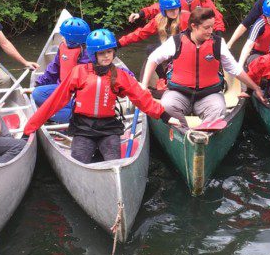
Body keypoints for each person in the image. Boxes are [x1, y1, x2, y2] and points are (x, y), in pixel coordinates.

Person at [22, 29, 183, 163]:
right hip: (83, 127)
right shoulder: (79, 73)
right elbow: (54, 102)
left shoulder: (120, 76)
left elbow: (142, 99)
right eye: (102, 53)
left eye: (109, 52)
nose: (107, 56)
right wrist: (30, 128)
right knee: (79, 159)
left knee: (114, 161)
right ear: (93, 55)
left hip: (108, 128)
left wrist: (166, 117)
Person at [140, 7, 265, 124]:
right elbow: (153, 59)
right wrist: (144, 86)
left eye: (212, 27)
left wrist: (256, 88)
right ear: (194, 26)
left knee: (218, 109)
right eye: (206, 27)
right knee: (167, 105)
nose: (211, 31)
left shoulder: (218, 43)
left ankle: (205, 131)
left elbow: (235, 69)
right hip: (179, 93)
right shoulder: (176, 42)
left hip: (209, 94)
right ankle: (184, 129)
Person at [32, 17, 93, 124]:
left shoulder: (90, 54)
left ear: (72, 40)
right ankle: (66, 115)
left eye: (64, 37)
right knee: (37, 93)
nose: (61, 39)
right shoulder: (63, 47)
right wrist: (39, 83)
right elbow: (54, 68)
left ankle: (73, 119)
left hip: (80, 94)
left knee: (45, 113)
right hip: (63, 88)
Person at [237, 0, 270, 69]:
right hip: (258, 54)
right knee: (260, 65)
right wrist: (240, 65)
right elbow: (249, 44)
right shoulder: (260, 24)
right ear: (265, 15)